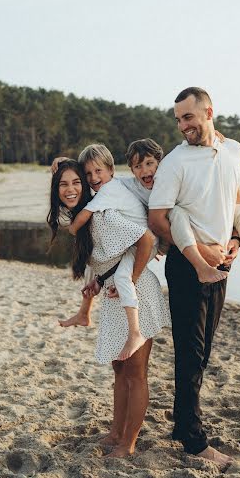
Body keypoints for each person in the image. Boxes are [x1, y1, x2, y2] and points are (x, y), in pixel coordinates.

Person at [148, 86, 240, 469]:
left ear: (209, 112)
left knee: (204, 351)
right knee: (190, 351)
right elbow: (158, 218)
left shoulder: (233, 151)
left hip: (222, 266)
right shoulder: (175, 163)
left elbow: (236, 202)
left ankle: (181, 423)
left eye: (188, 117)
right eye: (178, 119)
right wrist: (201, 250)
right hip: (185, 266)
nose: (182, 126)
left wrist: (233, 243)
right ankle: (195, 442)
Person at [48, 159, 171, 457]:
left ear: (88, 186)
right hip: (116, 293)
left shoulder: (102, 216)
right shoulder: (83, 218)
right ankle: (116, 432)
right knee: (119, 368)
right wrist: (101, 282)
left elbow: (146, 239)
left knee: (135, 371)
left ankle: (128, 443)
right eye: (64, 184)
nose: (71, 189)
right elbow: (114, 256)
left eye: (77, 182)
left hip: (136, 293)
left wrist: (130, 277)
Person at [122, 138, 240, 286]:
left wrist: (235, 239)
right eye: (138, 166)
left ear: (161, 163)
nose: (145, 170)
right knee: (177, 212)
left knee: (238, 209)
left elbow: (232, 196)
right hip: (166, 236)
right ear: (132, 170)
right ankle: (201, 266)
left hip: (187, 231)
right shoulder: (132, 186)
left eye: (149, 163)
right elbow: (114, 186)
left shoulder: (169, 176)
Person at [64, 144, 160, 361]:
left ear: (111, 170)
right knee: (100, 259)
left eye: (98, 171)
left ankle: (135, 332)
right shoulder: (116, 185)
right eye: (88, 173)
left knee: (123, 277)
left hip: (143, 242)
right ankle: (84, 312)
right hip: (138, 241)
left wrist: (71, 229)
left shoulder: (107, 192)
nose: (93, 177)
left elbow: (85, 214)